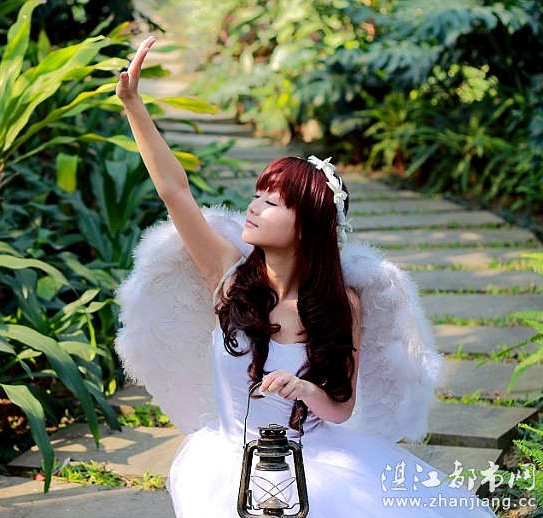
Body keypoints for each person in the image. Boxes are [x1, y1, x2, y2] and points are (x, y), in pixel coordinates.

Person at [115, 36, 497, 517]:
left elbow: (341, 407)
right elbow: (175, 191)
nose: (254, 207)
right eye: (257, 195)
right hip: (226, 461)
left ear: (306, 226)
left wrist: (305, 390)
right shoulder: (229, 277)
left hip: (313, 460)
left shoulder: (341, 303)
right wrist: (133, 104)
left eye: (271, 202)